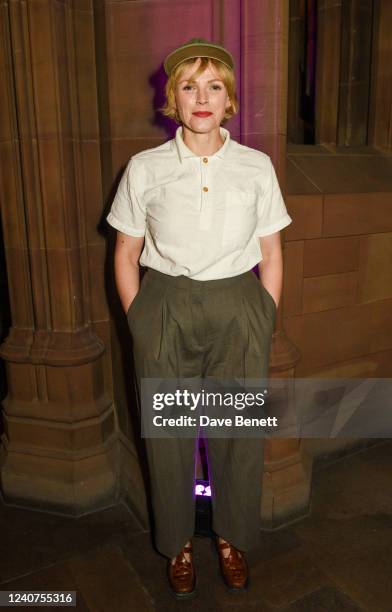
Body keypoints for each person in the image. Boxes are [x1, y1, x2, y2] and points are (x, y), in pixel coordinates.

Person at [106, 38, 292, 599]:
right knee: (168, 434)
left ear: (230, 100)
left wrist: (263, 312)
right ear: (175, 100)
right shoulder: (144, 168)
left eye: (214, 86)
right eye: (189, 86)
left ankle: (231, 538)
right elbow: (124, 251)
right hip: (164, 304)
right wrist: (140, 317)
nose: (202, 97)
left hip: (239, 304)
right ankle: (178, 543)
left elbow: (273, 251)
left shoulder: (256, 167)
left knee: (237, 432)